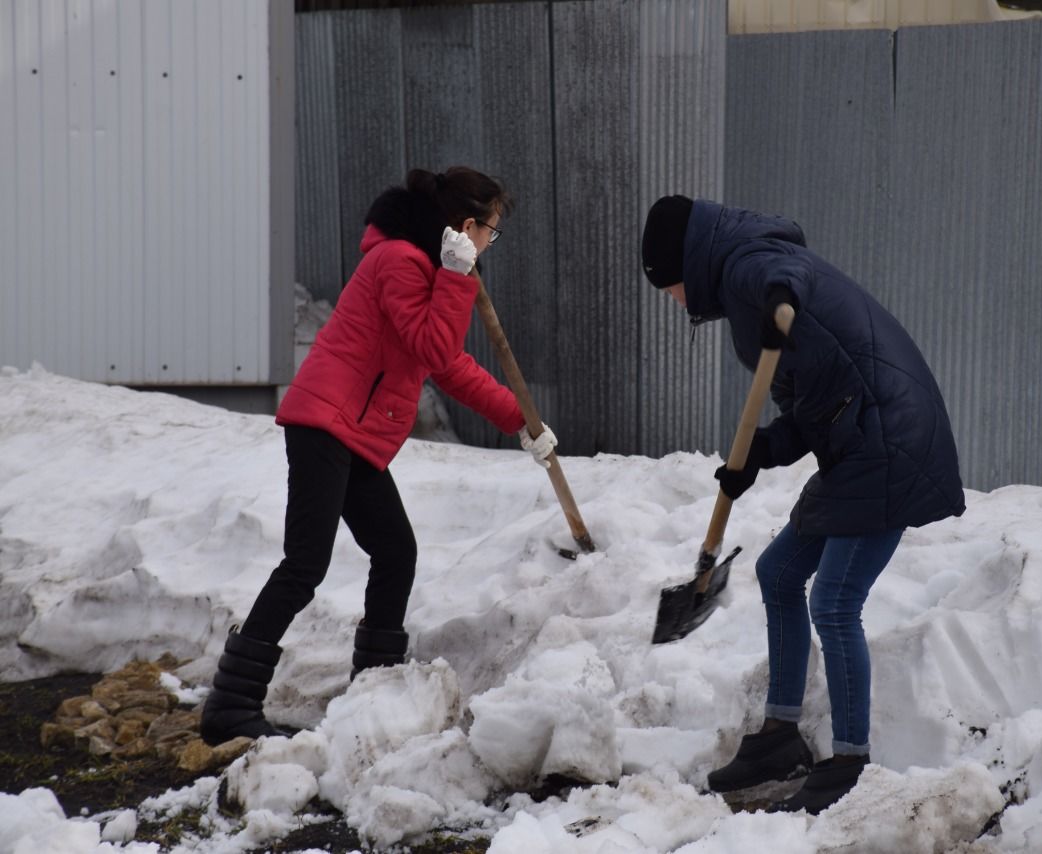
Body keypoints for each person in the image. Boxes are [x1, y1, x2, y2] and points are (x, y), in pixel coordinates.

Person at [200, 167, 558, 746]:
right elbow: (435, 344)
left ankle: (375, 692)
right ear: (467, 228)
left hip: (355, 434)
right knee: (304, 566)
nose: (493, 241)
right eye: (492, 230)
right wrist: (457, 277)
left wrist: (520, 416)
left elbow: (444, 364)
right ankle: (230, 702)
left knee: (395, 550)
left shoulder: (423, 268)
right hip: (326, 426)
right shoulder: (400, 261)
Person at [640, 195, 965, 814]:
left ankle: (849, 761)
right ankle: (780, 735)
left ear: (686, 263)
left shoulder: (751, 266)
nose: (674, 299)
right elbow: (811, 406)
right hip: (859, 439)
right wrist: (760, 451)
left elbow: (787, 279)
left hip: (890, 444)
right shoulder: (744, 270)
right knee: (778, 573)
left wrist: (775, 299)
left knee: (835, 602)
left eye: (670, 286)